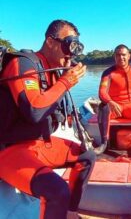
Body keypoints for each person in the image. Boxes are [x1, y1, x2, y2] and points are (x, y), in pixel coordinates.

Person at [0, 20, 96, 219]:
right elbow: (34, 110)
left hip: (38, 144)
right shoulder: (24, 63)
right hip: (10, 150)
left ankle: (70, 212)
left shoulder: (52, 72)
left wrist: (62, 81)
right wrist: (66, 82)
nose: (71, 53)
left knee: (87, 156)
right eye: (68, 45)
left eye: (76, 47)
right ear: (51, 42)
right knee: (57, 192)